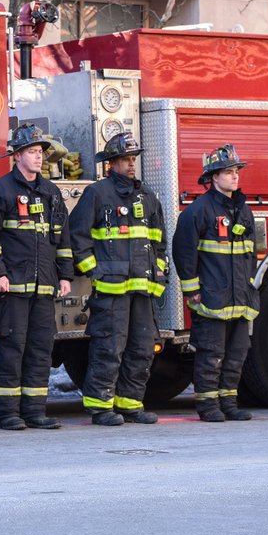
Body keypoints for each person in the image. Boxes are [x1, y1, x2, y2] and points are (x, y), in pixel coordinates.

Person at [68, 131, 166, 426]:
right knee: (109, 347)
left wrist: (158, 270)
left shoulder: (147, 196)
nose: (131, 164)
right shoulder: (97, 194)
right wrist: (94, 272)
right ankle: (100, 406)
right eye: (125, 159)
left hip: (143, 289)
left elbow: (158, 241)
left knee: (142, 346)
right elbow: (77, 237)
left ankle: (130, 404)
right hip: (111, 290)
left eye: (133, 158)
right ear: (111, 163)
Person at [0, 123, 72, 430]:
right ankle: (8, 412)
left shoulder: (51, 193)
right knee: (12, 348)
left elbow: (62, 238)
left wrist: (65, 275)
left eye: (40, 152)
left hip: (44, 287)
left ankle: (35, 410)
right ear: (17, 155)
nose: (39, 157)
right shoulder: (1, 191)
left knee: (40, 348)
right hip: (12, 288)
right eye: (32, 152)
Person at [171, 144, 259, 422]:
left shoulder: (243, 211)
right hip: (211, 297)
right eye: (228, 172)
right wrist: (192, 289)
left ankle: (229, 403)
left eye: (236, 171)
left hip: (239, 297)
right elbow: (184, 252)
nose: (235, 177)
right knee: (211, 353)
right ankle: (208, 405)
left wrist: (249, 286)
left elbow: (250, 254)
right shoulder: (198, 211)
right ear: (213, 177)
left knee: (237, 353)